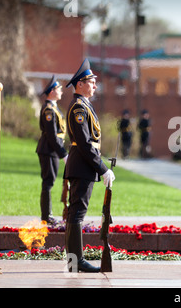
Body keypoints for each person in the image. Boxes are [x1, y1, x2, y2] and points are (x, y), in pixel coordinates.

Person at [64, 58, 115, 273]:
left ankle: (74, 262)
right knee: (77, 214)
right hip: (82, 166)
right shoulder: (78, 108)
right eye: (91, 82)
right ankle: (76, 262)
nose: (95, 85)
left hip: (83, 166)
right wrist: (102, 169)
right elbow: (85, 144)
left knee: (77, 212)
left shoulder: (84, 105)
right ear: (80, 84)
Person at [36, 75, 68, 224]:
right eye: (59, 89)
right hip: (49, 149)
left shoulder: (53, 107)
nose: (61, 91)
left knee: (50, 181)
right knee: (48, 182)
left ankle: (47, 215)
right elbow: (51, 135)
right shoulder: (49, 110)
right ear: (52, 91)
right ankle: (46, 216)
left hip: (52, 149)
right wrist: (63, 154)